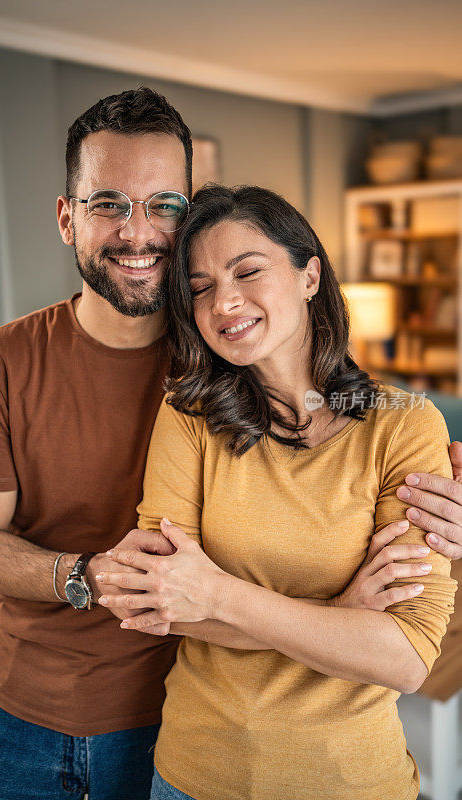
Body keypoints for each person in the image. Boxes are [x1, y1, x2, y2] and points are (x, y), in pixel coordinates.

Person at [0, 89, 462, 800]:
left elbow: (358, 424)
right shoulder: (10, 364)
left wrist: (437, 472)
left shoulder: (226, 375)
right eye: (108, 204)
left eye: (164, 205)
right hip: (30, 705)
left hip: (167, 715)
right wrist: (88, 575)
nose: (138, 231)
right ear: (68, 218)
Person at [98, 185, 459, 800]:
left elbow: (405, 656)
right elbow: (161, 602)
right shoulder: (188, 417)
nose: (225, 301)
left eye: (248, 271)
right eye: (202, 286)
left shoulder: (405, 424)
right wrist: (340, 618)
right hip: (195, 776)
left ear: (309, 275)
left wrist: (214, 593)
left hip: (351, 781)